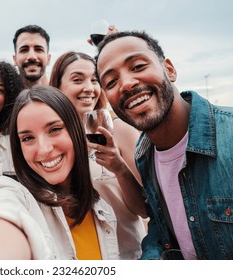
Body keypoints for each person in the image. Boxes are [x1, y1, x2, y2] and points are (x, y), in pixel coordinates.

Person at [96, 30, 233, 260]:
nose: (127, 84)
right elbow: (163, 236)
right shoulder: (144, 154)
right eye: (111, 81)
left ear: (169, 69)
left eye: (138, 66)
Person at [0, 85, 119, 260]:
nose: (43, 149)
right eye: (27, 138)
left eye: (54, 129)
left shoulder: (104, 211)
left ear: (76, 131)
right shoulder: (12, 193)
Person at [50, 51, 147, 259]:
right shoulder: (53, 142)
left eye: (94, 79)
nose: (89, 87)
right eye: (77, 79)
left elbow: (145, 210)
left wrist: (119, 168)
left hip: (129, 256)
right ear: (57, 88)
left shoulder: (121, 131)